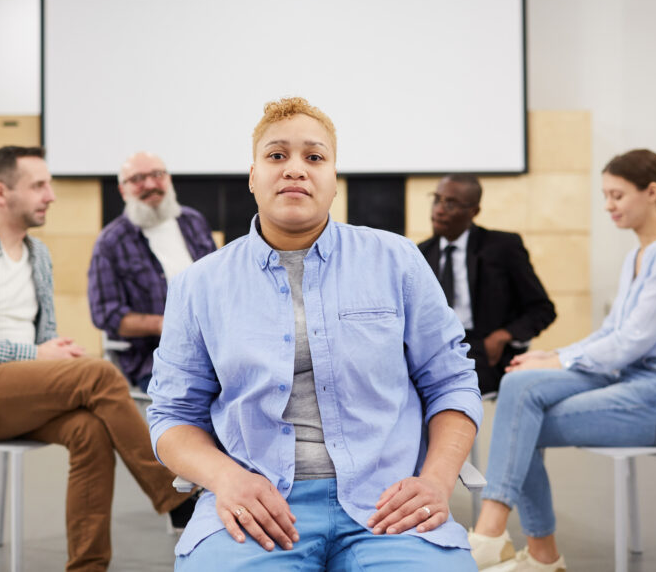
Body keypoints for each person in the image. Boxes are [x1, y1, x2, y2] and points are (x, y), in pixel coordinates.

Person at [146, 97, 483, 570]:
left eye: (315, 157)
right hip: (257, 506)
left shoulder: (397, 261)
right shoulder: (198, 286)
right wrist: (226, 479)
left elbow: (451, 382)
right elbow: (172, 414)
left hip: (390, 502)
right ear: (252, 176)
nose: (295, 170)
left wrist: (437, 480)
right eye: (277, 155)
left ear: (333, 179)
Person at [0, 146, 193, 572]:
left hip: (21, 388)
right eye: (39, 185)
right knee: (99, 374)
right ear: (2, 192)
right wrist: (36, 354)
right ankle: (174, 497)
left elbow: (41, 340)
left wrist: (54, 352)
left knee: (91, 430)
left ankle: (87, 567)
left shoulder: (38, 255)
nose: (51, 195)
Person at [468, 148, 656, 571]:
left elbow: (634, 341)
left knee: (519, 426)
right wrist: (553, 354)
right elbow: (613, 334)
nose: (608, 205)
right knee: (517, 386)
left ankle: (506, 540)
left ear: (652, 192)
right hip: (631, 379)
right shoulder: (638, 255)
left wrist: (558, 364)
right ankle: (516, 544)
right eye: (605, 195)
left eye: (617, 195)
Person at [87, 151, 216, 390]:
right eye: (137, 179)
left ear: (168, 179)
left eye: (157, 175)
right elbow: (106, 313)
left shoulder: (193, 222)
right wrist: (165, 325)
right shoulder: (111, 242)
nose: (149, 184)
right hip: (155, 359)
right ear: (122, 190)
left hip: (215, 347)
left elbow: (221, 284)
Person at [418, 175, 556, 393]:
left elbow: (542, 309)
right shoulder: (421, 253)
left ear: (474, 211)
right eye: (436, 200)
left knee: (457, 388)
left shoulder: (503, 247)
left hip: (485, 350)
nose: (439, 210)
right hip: (437, 350)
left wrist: (503, 335)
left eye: (450, 203)